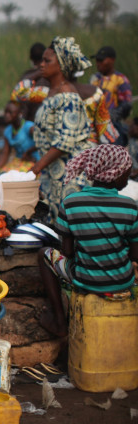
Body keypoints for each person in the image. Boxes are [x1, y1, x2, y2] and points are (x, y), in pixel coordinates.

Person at [37, 144, 138, 337]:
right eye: (127, 171)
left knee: (44, 254)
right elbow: (135, 255)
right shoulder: (130, 206)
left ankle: (59, 320)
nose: (130, 174)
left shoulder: (71, 202)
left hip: (83, 279)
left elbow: (67, 251)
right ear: (115, 174)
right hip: (123, 281)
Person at [17, 36, 94, 221]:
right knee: (56, 225)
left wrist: (35, 168)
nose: (41, 64)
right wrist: (39, 72)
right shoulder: (49, 92)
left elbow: (64, 142)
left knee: (69, 226)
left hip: (70, 173)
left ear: (61, 65)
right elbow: (19, 92)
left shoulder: (68, 96)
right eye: (41, 60)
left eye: (47, 61)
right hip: (54, 171)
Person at [90, 46, 133, 145]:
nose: (98, 64)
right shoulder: (94, 79)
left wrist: (110, 115)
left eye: (101, 60)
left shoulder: (120, 79)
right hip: (94, 125)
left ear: (112, 60)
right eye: (97, 61)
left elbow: (127, 104)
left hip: (113, 125)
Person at [0, 101, 38, 175]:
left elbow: (42, 141)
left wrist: (29, 152)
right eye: (6, 112)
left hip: (33, 161)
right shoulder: (8, 131)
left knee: (17, 177)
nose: (7, 115)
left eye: (10, 113)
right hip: (19, 161)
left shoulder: (29, 127)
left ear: (19, 114)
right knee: (0, 175)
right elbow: (5, 154)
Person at [19, 42, 49, 123]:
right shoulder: (50, 75)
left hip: (30, 123)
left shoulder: (27, 76)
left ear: (31, 58)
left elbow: (19, 98)